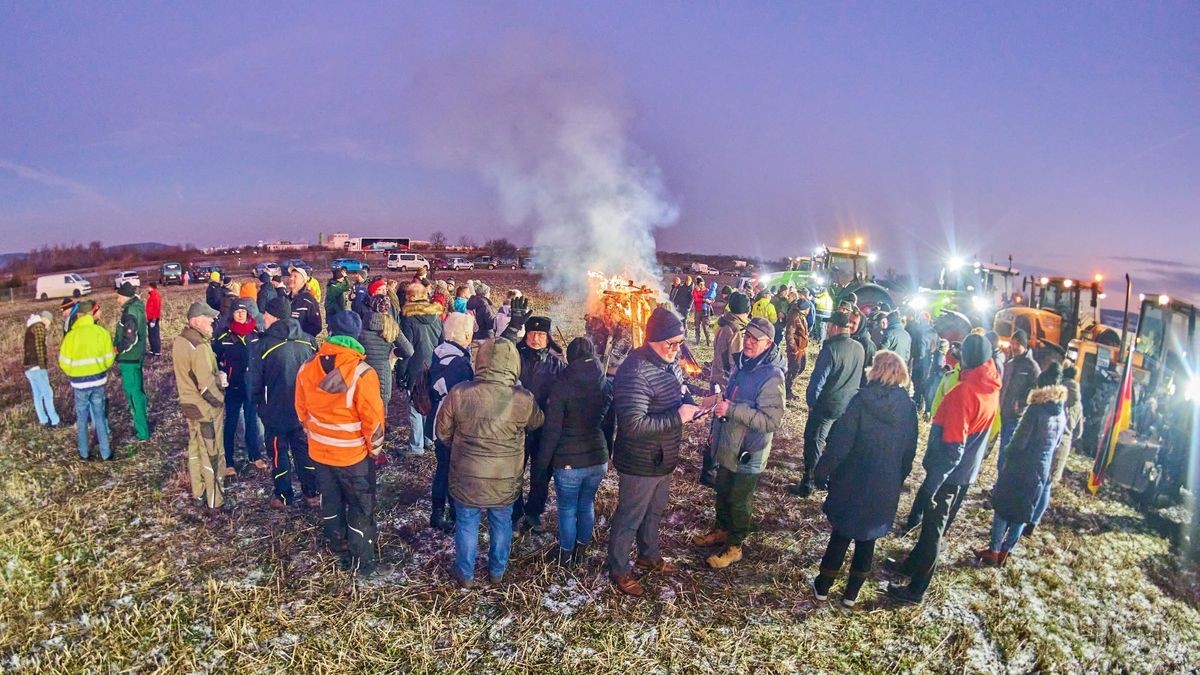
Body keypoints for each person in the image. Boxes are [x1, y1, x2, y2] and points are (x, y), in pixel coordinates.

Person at [886, 333, 1001, 604]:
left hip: (948, 475)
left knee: (932, 531)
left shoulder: (964, 393)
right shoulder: (991, 385)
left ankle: (916, 589)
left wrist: (932, 485)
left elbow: (953, 447)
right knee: (932, 528)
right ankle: (911, 565)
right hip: (964, 473)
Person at [607, 307, 705, 598]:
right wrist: (679, 417)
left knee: (654, 512)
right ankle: (619, 569)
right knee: (630, 517)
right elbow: (633, 425)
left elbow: (680, 389)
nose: (676, 349)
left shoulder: (669, 362)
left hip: (663, 457)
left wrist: (698, 403)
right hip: (639, 460)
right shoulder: (635, 372)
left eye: (679, 343)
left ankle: (648, 555)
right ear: (652, 340)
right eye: (670, 343)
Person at [810, 351, 918, 607]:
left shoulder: (860, 401)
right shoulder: (908, 408)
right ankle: (851, 594)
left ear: (875, 370)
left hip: (852, 478)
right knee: (867, 538)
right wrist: (897, 478)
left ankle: (823, 586)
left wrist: (823, 469)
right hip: (884, 483)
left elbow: (840, 443)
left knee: (841, 533)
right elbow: (909, 450)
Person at [437, 339, 545, 588]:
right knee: (501, 522)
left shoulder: (460, 392)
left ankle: (465, 574)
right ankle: (497, 571)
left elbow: (442, 431)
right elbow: (537, 422)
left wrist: (461, 449)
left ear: (481, 360)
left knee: (467, 523)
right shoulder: (523, 398)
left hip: (467, 474)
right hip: (504, 477)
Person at [296, 311, 386, 577]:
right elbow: (374, 422)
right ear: (357, 336)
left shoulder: (306, 367)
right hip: (353, 456)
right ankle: (363, 561)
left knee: (331, 501)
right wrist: (374, 452)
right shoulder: (362, 373)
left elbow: (301, 411)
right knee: (360, 505)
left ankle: (337, 545)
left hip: (320, 453)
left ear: (331, 333)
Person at [693, 318, 785, 569]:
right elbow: (730, 394)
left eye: (756, 339)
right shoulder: (741, 365)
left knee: (739, 499)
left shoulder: (772, 376)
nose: (749, 342)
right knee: (722, 489)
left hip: (749, 450)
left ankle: (735, 546)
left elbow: (772, 420)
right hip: (729, 444)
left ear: (768, 344)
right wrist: (714, 401)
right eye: (748, 336)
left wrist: (732, 410)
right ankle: (722, 530)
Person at [977, 363, 1067, 566]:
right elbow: (1057, 443)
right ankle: (1006, 553)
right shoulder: (1061, 413)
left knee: (1003, 508)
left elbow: (1019, 443)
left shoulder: (1035, 410)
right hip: (1040, 469)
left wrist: (1008, 454)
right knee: (1021, 513)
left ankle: (994, 549)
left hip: (1020, 467)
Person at [536, 337, 615, 565]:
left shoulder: (562, 386)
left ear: (569, 357)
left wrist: (542, 465)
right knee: (586, 503)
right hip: (597, 457)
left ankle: (566, 552)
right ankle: (581, 548)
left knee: (567, 508)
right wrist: (607, 454)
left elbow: (552, 431)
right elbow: (610, 425)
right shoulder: (606, 384)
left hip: (569, 461)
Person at [249, 297, 320, 509]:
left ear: (273, 316)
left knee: (279, 453)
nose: (263, 317)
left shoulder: (263, 345)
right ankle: (312, 493)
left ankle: (283, 495)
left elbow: (253, 381)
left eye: (266, 314)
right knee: (304, 450)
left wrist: (258, 403)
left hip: (275, 411)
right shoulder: (309, 341)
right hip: (304, 411)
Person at [503, 310, 566, 532]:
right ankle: (515, 511)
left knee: (541, 472)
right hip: (517, 426)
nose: (535, 338)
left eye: (541, 334)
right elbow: (499, 351)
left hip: (544, 428)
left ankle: (534, 512)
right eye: (532, 333)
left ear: (548, 337)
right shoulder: (515, 356)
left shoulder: (557, 363)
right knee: (515, 471)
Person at [790, 311, 864, 498]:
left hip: (826, 406)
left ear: (835, 327)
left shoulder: (830, 349)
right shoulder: (859, 348)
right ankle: (826, 479)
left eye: (829, 325)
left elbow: (817, 382)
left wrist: (812, 403)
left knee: (814, 442)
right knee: (834, 445)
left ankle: (808, 482)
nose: (827, 328)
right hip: (846, 406)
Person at [171, 302, 226, 510]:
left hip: (189, 406)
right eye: (208, 318)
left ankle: (198, 493)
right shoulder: (200, 346)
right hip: (206, 411)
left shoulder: (180, 341)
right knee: (212, 454)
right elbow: (206, 387)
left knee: (194, 450)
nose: (212, 321)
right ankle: (216, 501)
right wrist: (221, 399)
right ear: (195, 321)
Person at [426, 312, 476, 533]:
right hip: (450, 426)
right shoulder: (459, 364)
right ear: (465, 334)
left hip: (437, 420)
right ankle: (449, 512)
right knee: (450, 471)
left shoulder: (440, 353)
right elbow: (463, 400)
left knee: (443, 469)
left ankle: (440, 511)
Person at [213, 298, 264, 475]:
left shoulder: (256, 335)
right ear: (232, 315)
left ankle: (255, 456)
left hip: (251, 386)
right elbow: (215, 359)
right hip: (233, 387)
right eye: (237, 312)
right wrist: (220, 372)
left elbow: (261, 360)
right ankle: (228, 462)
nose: (241, 314)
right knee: (231, 423)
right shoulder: (224, 337)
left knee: (252, 422)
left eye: (243, 311)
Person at [59, 300, 116, 460]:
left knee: (82, 418)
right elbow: (109, 358)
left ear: (78, 315)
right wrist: (100, 368)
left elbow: (63, 362)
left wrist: (74, 372)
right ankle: (106, 453)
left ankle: (83, 452)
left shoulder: (70, 336)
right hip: (98, 381)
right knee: (99, 416)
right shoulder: (101, 332)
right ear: (91, 314)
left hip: (79, 384)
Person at [356, 278, 415, 415]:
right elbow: (409, 350)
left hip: (362, 372)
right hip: (383, 372)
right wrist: (394, 353)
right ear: (387, 308)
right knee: (380, 413)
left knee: (363, 411)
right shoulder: (391, 326)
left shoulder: (360, 323)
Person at [400, 282, 444, 456]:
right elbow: (442, 343)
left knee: (415, 408)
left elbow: (407, 349)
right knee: (429, 403)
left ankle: (416, 446)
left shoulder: (409, 318)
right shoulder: (437, 316)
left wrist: (402, 372)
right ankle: (428, 439)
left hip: (415, 368)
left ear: (410, 297)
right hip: (433, 365)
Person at [998, 330, 1040, 471]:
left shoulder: (1031, 367)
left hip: (1016, 417)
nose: (1014, 347)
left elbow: (1036, 390)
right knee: (1002, 453)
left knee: (1006, 454)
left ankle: (1001, 488)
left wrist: (1021, 403)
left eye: (1018, 344)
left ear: (1024, 345)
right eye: (1013, 343)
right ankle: (999, 486)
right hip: (1003, 414)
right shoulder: (1009, 363)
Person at [114, 282, 151, 442]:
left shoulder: (130, 312)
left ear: (125, 296)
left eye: (119, 297)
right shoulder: (137, 307)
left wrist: (117, 349)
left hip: (130, 359)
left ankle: (142, 431)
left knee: (133, 394)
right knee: (138, 393)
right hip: (136, 357)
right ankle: (142, 427)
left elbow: (130, 338)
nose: (117, 300)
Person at [24, 311, 61, 427]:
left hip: (28, 367)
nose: (49, 324)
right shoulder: (39, 326)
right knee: (48, 393)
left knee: (38, 394)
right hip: (37, 367)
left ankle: (43, 420)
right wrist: (42, 366)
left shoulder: (30, 327)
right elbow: (39, 347)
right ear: (45, 319)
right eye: (49, 321)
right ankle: (55, 421)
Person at [1050, 365, 1084, 484]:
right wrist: (1068, 437)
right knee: (1051, 480)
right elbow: (1078, 433)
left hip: (1048, 438)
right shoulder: (1079, 405)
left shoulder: (1054, 395)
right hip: (1064, 443)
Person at [782, 292, 811, 400]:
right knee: (793, 369)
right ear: (805, 309)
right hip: (796, 349)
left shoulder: (800, 316)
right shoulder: (795, 317)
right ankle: (786, 391)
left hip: (801, 348)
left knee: (801, 367)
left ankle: (787, 386)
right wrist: (793, 349)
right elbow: (789, 334)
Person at [287, 267, 323, 339]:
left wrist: (302, 337)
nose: (291, 278)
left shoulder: (309, 301)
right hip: (285, 343)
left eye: (295, 276)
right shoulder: (284, 298)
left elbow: (317, 326)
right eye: (290, 276)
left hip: (302, 344)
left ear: (303, 281)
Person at [691, 277, 711, 346]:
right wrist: (704, 300)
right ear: (698, 285)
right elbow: (696, 299)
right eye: (700, 284)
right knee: (697, 326)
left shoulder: (707, 290)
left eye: (703, 284)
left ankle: (708, 340)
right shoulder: (695, 291)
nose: (702, 286)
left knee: (705, 326)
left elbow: (711, 299)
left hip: (705, 311)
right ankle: (697, 340)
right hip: (698, 310)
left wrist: (710, 301)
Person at [146, 281, 163, 356]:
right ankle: (153, 349)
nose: (147, 288)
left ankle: (157, 350)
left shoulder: (155, 296)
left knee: (154, 334)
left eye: (148, 287)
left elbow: (156, 308)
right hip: (151, 318)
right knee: (151, 334)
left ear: (151, 287)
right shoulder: (153, 295)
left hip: (154, 318)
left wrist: (154, 320)